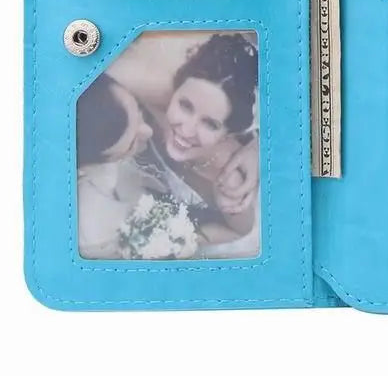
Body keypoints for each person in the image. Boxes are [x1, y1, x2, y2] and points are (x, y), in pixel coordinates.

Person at [139, 33, 261, 257]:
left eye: (210, 124)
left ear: (227, 134)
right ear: (174, 91)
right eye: (185, 105)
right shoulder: (151, 107)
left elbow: (240, 230)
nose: (186, 130)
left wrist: (162, 239)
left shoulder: (230, 177)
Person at [76, 73, 154, 258]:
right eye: (132, 143)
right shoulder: (94, 236)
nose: (149, 131)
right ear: (85, 169)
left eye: (139, 108)